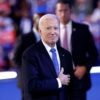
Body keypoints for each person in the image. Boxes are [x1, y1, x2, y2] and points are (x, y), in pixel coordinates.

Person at [21, 14, 74, 100]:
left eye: (56, 28)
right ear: (40, 31)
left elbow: (71, 87)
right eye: (48, 28)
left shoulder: (66, 54)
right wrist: (58, 82)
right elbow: (32, 85)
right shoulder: (30, 54)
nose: (53, 32)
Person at [55, 0, 98, 100]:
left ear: (71, 10)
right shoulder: (51, 31)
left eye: (65, 10)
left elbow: (94, 54)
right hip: (58, 80)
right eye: (60, 10)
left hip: (78, 79)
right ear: (56, 12)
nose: (63, 14)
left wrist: (85, 68)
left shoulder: (83, 30)